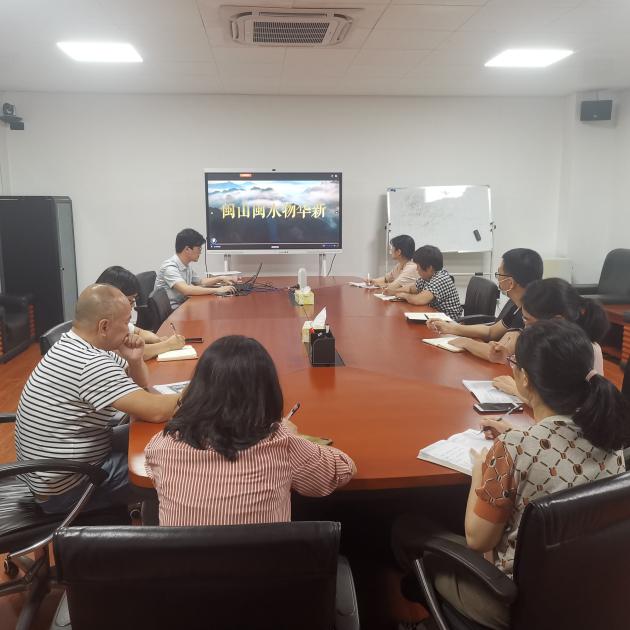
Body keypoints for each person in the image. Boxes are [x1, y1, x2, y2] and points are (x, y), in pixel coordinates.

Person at [392, 319, 629, 629]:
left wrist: (481, 472)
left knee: (406, 528)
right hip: (589, 594)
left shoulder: (514, 448)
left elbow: (478, 540)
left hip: (514, 602)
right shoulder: (610, 437)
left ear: (525, 379)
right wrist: (516, 436)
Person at [144, 335, 356, 526]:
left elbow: (154, 475)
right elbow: (343, 470)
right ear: (267, 393)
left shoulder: (163, 445)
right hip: (268, 559)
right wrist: (296, 436)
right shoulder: (282, 443)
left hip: (185, 559)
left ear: (196, 389)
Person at [15, 284, 180, 515]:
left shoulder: (76, 344)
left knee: (163, 436)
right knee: (173, 465)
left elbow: (140, 384)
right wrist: (203, 390)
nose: (130, 329)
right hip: (69, 489)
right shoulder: (89, 363)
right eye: (126, 322)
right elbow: (156, 411)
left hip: (63, 465)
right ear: (104, 326)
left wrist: (134, 359)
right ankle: (155, 532)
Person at [493, 277, 609, 398]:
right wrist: (509, 359)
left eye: (529, 322)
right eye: (524, 320)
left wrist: (517, 391)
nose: (525, 329)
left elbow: (560, 404)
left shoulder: (577, 351)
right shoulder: (552, 344)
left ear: (557, 321)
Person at [427, 248, 543, 363]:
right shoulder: (518, 305)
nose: (498, 278)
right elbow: (491, 331)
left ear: (510, 283)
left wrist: (465, 342)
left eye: (499, 274)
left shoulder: (530, 313)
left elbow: (498, 354)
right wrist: (451, 327)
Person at [96, 266, 185, 360]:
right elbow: (131, 353)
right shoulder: (105, 325)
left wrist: (157, 340)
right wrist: (168, 345)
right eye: (130, 301)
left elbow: (138, 331)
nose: (132, 306)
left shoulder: (113, 316)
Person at [155, 228, 236, 308]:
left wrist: (220, 278)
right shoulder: (169, 267)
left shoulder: (185, 265)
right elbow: (186, 290)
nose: (200, 252)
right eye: (199, 248)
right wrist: (217, 290)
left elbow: (200, 282)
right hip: (172, 311)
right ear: (187, 249)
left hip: (182, 305)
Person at [385, 245, 462, 320]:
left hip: (449, 322)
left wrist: (404, 295)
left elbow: (419, 300)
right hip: (434, 316)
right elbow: (411, 288)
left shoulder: (440, 278)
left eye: (418, 267)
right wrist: (394, 291)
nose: (416, 270)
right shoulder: (428, 276)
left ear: (429, 268)